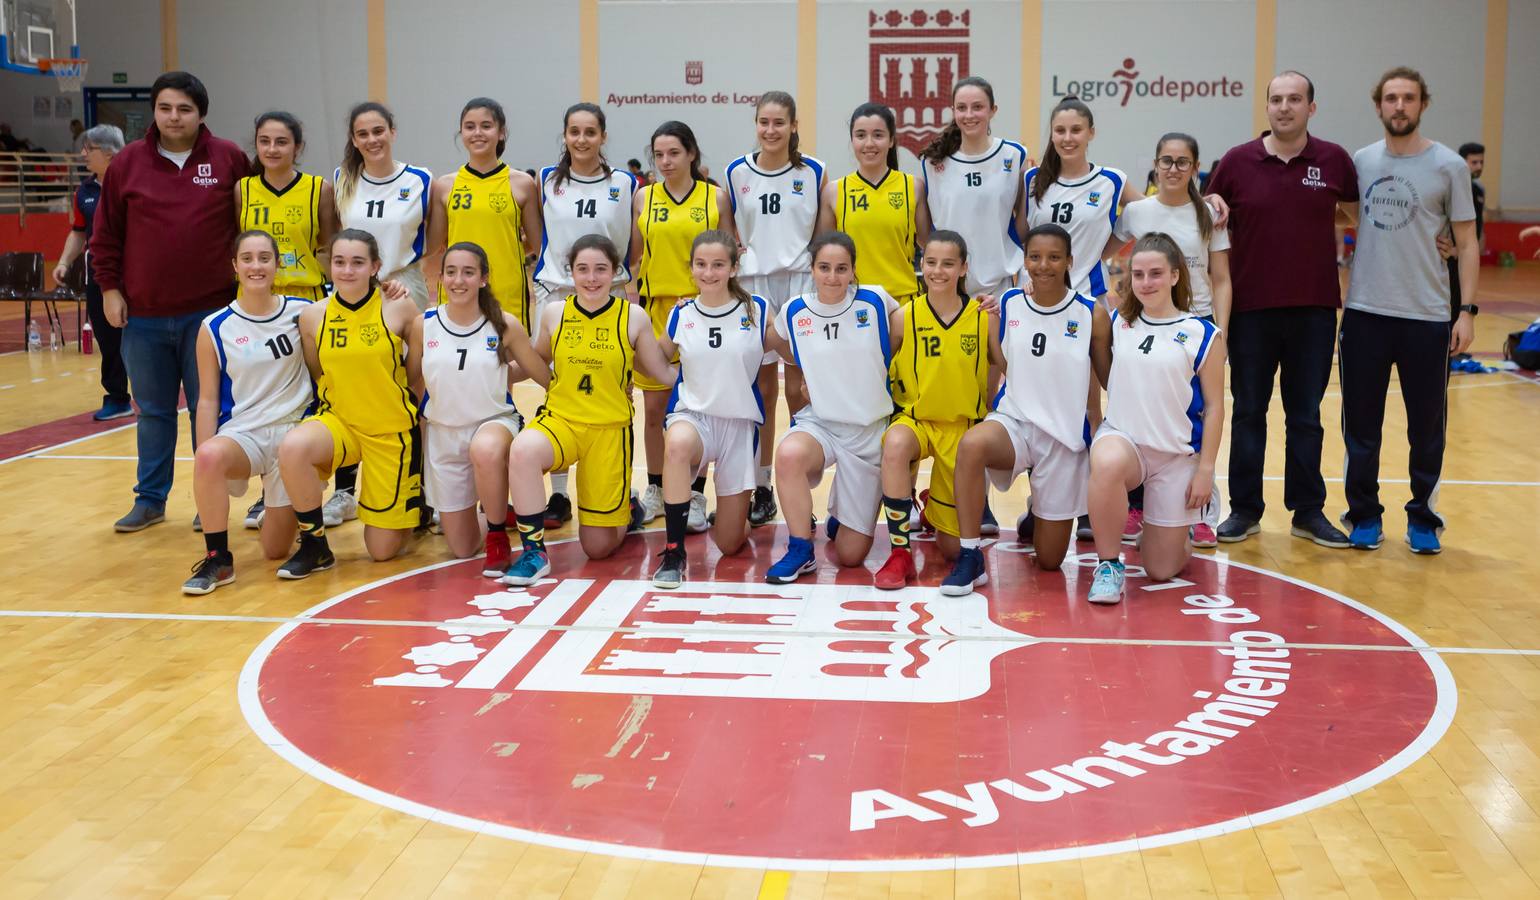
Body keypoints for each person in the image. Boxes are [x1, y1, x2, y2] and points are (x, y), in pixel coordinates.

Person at [91, 71, 250, 533]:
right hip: (144, 314)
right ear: (154, 112)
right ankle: (150, 499)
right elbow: (106, 236)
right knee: (154, 411)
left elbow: (251, 223)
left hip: (212, 314)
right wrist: (109, 288)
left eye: (184, 108)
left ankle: (210, 497)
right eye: (165, 108)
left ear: (201, 113)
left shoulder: (228, 159)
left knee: (211, 407)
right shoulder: (126, 164)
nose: (174, 117)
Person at [1204, 71, 1358, 549]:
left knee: (1306, 415)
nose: (1284, 107)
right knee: (1249, 412)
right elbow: (1206, 213)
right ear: (1266, 107)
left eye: (1295, 99)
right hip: (1250, 311)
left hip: (1313, 311)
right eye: (1276, 99)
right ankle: (1245, 509)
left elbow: (1360, 215)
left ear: (1312, 107)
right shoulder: (1235, 162)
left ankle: (1307, 512)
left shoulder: (1333, 160)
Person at [1340, 67, 1478, 555]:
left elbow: (1466, 241)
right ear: (1379, 106)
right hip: (1364, 314)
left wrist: (1467, 311)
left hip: (1427, 316)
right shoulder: (1360, 161)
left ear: (1423, 105)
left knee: (1427, 426)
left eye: (1409, 98)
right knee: (1360, 424)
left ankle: (1423, 516)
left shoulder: (1449, 167)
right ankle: (1363, 515)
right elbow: (1350, 214)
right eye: (1392, 98)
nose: (1400, 106)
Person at [504, 235, 675, 583]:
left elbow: (659, 371)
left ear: (615, 273)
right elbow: (534, 360)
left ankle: (626, 509)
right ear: (571, 273)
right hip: (561, 420)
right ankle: (534, 553)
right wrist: (489, 369)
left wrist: (712, 376)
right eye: (583, 269)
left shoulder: (633, 318)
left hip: (608, 430)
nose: (592, 278)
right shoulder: (555, 313)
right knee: (522, 450)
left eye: (601, 269)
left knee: (598, 548)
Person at [944, 225, 1097, 595]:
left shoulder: (1093, 314)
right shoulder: (1009, 302)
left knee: (1049, 560)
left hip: (1063, 439)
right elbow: (996, 358)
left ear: (1070, 261)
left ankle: (1036, 512)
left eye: (1054, 257)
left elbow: (1110, 378)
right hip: (1015, 422)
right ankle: (970, 555)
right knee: (971, 445)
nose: (1043, 265)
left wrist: (1101, 428)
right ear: (1024, 260)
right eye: (1035, 257)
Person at [1085, 234, 1225, 604]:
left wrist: (1205, 471)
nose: (1146, 282)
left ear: (1176, 276)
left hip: (1175, 455)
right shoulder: (1118, 321)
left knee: (1160, 570)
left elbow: (1214, 408)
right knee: (1107, 462)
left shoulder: (1203, 334)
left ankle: (1180, 531)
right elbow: (1067, 308)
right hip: (1125, 441)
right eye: (1139, 274)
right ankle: (1109, 565)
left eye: (1156, 274)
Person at [276, 229, 424, 577]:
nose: (347, 270)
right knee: (293, 447)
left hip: (390, 430)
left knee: (382, 551)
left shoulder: (400, 306)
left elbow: (416, 372)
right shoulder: (313, 316)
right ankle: (315, 546)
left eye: (358, 263)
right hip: (340, 423)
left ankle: (414, 505)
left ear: (375, 267)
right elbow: (318, 372)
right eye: (339, 262)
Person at [1111, 133, 1232, 548]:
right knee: (1144, 415)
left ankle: (1199, 508)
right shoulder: (1138, 211)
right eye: (1167, 160)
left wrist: (1223, 331)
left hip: (1194, 324)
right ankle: (1138, 503)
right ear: (1156, 164)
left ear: (1195, 167)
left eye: (1183, 162)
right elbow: (1103, 246)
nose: (1174, 169)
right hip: (1148, 322)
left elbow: (1221, 278)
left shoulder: (1208, 214)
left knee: (1194, 419)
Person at [182, 231, 312, 594]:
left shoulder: (303, 314)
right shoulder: (214, 326)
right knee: (208, 456)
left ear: (277, 264)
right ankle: (218, 559)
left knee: (274, 551)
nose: (257, 266)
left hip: (292, 437)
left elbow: (356, 303)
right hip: (245, 435)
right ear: (235, 266)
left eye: (264, 258)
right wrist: (205, 464)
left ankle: (289, 511)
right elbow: (206, 399)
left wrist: (390, 291)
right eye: (248, 259)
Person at [766, 232, 899, 583]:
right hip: (821, 424)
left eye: (842, 268)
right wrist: (809, 369)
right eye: (824, 267)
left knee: (850, 557)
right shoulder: (795, 309)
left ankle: (843, 512)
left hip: (867, 431)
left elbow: (909, 330)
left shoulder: (875, 302)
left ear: (854, 270)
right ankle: (800, 548)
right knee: (789, 454)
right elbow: (773, 340)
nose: (833, 276)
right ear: (812, 269)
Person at [533, 103, 638, 530]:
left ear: (603, 136)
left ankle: (620, 487)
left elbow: (634, 243)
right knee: (559, 390)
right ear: (564, 135)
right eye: (574, 131)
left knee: (616, 391)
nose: (581, 139)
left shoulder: (625, 183)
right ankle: (558, 495)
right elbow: (538, 237)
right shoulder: (544, 180)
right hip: (558, 294)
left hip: (608, 296)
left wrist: (624, 286)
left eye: (590, 132)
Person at [724, 91, 825, 530]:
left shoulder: (814, 171)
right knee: (761, 390)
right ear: (755, 124)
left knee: (801, 389)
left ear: (793, 125)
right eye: (763, 122)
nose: (770, 130)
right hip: (754, 288)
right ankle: (761, 485)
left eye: (779, 123)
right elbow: (729, 227)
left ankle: (801, 483)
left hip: (801, 285)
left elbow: (824, 234)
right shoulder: (736, 171)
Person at [412, 242, 547, 572]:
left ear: (483, 279)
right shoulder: (423, 325)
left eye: (469, 272)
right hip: (443, 433)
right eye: (452, 272)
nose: (459, 280)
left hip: (494, 422)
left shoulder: (503, 324)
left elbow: (540, 372)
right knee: (461, 548)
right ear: (440, 278)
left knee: (485, 450)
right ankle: (499, 504)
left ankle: (498, 533)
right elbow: (412, 381)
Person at [629, 121, 734, 528]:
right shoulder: (643, 198)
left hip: (703, 309)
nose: (666, 161)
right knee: (654, 408)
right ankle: (656, 488)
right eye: (659, 154)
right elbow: (635, 255)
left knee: (702, 408)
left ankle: (693, 495)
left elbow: (726, 254)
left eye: (674, 152)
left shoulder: (715, 198)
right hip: (658, 308)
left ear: (692, 153)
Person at [650, 231, 770, 588]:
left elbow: (792, 349)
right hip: (694, 417)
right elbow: (655, 356)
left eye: (718, 264)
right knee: (676, 445)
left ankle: (736, 515)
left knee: (730, 544)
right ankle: (674, 551)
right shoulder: (681, 314)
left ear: (734, 267)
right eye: (701, 264)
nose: (709, 272)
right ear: (691, 268)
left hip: (739, 425)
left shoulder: (758, 310)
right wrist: (677, 379)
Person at [873, 231, 989, 589]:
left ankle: (933, 506)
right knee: (893, 445)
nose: (939, 271)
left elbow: (1003, 362)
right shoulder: (904, 317)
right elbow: (877, 365)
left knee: (952, 550)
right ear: (921, 265)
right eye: (931, 262)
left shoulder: (984, 316)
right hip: (916, 421)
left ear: (964, 267)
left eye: (948, 263)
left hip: (961, 429)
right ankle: (900, 552)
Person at [427, 97, 542, 330]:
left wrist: (509, 246)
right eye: (470, 127)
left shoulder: (522, 183)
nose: (477, 133)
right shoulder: (445, 186)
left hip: (507, 293)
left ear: (501, 133)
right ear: (461, 133)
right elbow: (432, 247)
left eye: (486, 126)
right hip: (457, 291)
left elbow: (539, 245)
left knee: (507, 362)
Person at [918, 76, 1028, 298]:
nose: (969, 115)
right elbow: (926, 232)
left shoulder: (1015, 155)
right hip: (947, 287)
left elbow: (1023, 219)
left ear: (993, 110)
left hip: (996, 289)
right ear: (953, 111)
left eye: (977, 107)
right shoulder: (933, 162)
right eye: (961, 108)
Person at [53, 124, 132, 421]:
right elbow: (78, 232)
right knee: (107, 339)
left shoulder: (133, 184)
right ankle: (117, 397)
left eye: (90, 148)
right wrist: (63, 261)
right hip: (99, 277)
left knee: (143, 339)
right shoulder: (83, 190)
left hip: (135, 275)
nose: (83, 154)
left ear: (110, 153)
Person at [1023, 97, 1139, 300]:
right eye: (1060, 131)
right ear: (1052, 135)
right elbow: (1018, 235)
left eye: (1076, 130)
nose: (1067, 138)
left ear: (1091, 133)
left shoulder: (1111, 181)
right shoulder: (1032, 178)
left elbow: (1154, 209)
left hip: (1087, 296)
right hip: (1035, 294)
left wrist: (1203, 201)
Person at [820, 103, 931, 304]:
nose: (869, 143)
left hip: (904, 302)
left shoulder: (913, 187)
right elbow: (823, 254)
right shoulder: (834, 192)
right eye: (861, 135)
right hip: (853, 303)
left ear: (891, 141)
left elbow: (930, 244)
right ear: (852, 140)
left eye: (878, 135)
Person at [334, 102, 434, 310]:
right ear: (354, 140)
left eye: (378, 131)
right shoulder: (341, 178)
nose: (372, 140)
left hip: (403, 286)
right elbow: (333, 236)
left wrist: (403, 266)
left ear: (392, 133)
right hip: (352, 285)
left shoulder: (421, 179)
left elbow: (435, 241)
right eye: (362, 134)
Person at [237, 112, 336, 304]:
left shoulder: (319, 188)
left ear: (297, 147)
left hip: (304, 297)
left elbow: (329, 247)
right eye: (264, 141)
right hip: (254, 294)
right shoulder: (243, 189)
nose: (272, 149)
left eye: (281, 142)